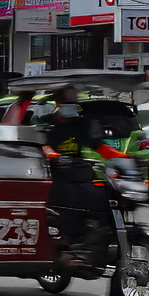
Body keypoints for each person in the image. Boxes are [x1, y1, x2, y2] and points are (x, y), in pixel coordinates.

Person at [43, 86, 120, 269]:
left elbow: (99, 147)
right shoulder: (48, 123)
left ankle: (93, 239)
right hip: (54, 174)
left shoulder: (81, 124)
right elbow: (42, 146)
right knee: (71, 197)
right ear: (58, 103)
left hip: (78, 172)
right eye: (67, 102)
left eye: (73, 102)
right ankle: (67, 240)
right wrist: (55, 156)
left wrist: (123, 157)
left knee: (100, 193)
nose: (71, 105)